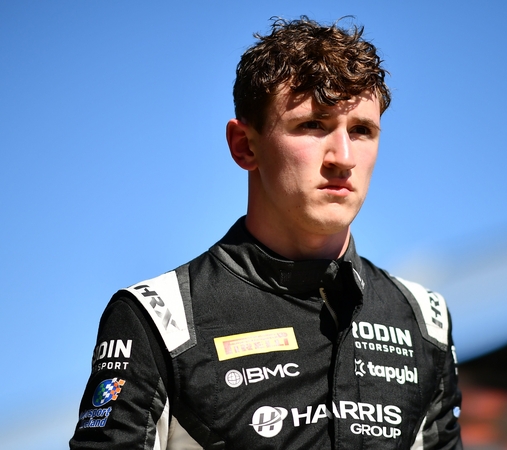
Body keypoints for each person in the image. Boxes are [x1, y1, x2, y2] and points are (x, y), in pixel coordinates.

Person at [69, 16, 462, 450]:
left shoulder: (426, 320)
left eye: (362, 130)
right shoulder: (160, 318)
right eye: (313, 125)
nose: (343, 157)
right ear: (244, 145)